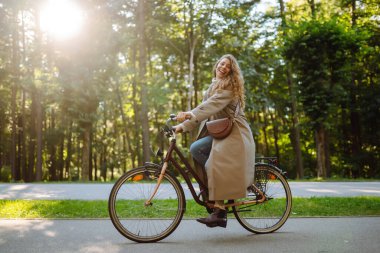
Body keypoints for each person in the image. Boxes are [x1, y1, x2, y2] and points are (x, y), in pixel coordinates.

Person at [174, 54, 256, 228]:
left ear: (231, 72)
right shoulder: (214, 86)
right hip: (222, 131)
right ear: (217, 64)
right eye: (221, 63)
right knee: (196, 149)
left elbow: (209, 106)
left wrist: (188, 113)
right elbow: (204, 111)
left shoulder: (229, 88)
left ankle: (220, 210)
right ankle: (218, 189)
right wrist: (183, 126)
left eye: (227, 66)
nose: (223, 67)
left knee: (213, 164)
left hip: (235, 133)